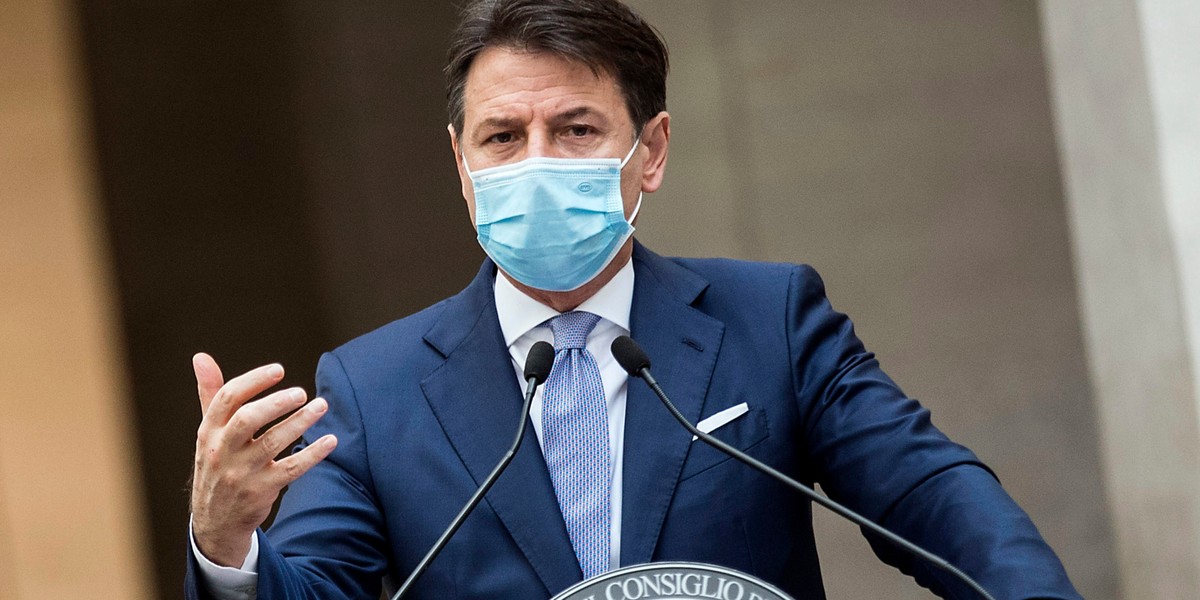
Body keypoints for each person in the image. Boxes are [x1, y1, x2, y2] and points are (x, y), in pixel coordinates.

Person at [185, 0, 1081, 598]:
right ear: (461, 164)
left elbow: (935, 500)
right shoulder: (373, 390)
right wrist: (226, 548)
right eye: (503, 137)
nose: (537, 162)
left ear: (650, 151)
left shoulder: (770, 322)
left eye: (575, 129)